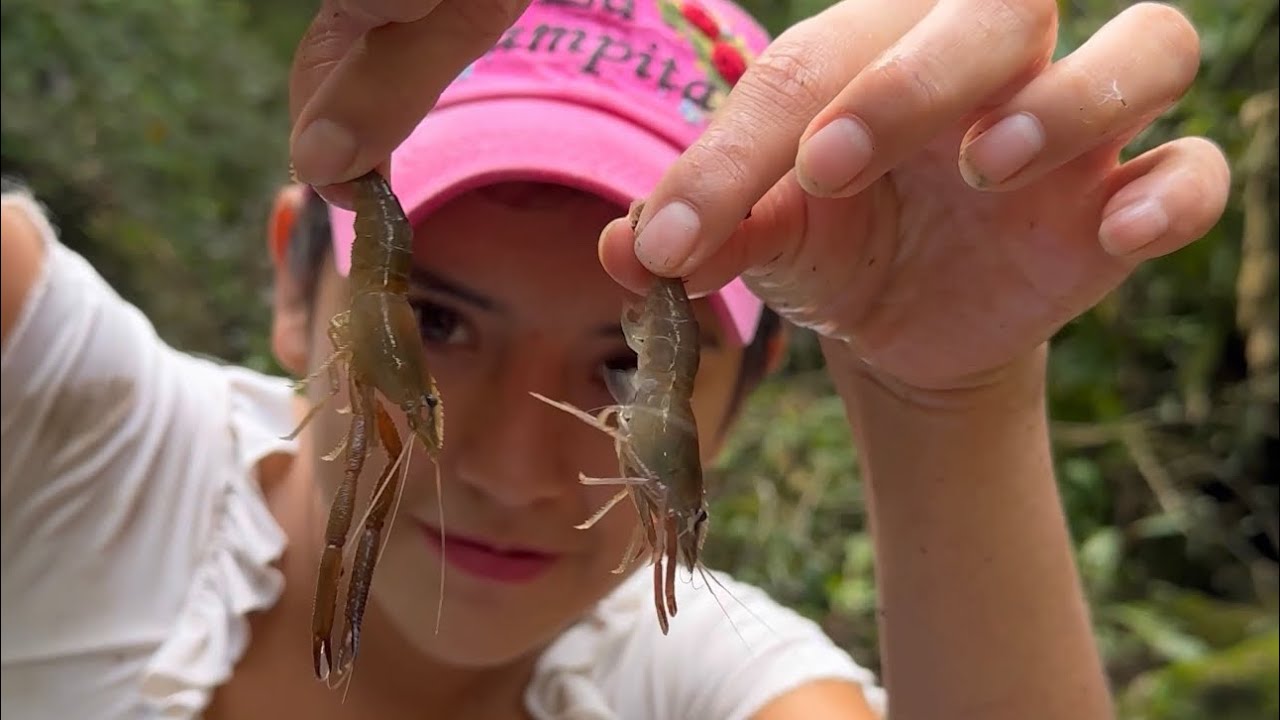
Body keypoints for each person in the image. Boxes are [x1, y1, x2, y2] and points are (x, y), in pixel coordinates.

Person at [0, 0, 1229, 719]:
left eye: (627, 371)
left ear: (741, 395)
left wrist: (947, 401)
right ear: (291, 283)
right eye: (437, 322)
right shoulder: (66, 425)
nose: (510, 469)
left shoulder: (710, 683)